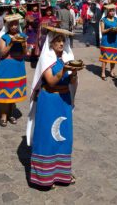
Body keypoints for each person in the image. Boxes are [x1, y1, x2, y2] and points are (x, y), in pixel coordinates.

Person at [26, 27, 82, 189]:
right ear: (50, 43)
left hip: (63, 101)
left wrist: (74, 74)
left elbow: (71, 82)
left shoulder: (67, 57)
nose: (60, 43)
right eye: (57, 41)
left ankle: (62, 174)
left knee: (64, 136)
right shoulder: (47, 58)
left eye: (62, 40)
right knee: (47, 137)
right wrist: (64, 69)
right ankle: (44, 176)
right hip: (49, 100)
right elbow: (50, 81)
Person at [0, 14, 27, 127]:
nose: (14, 26)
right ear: (8, 25)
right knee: (5, 91)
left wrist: (23, 45)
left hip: (18, 67)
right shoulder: (4, 37)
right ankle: (3, 115)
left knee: (14, 91)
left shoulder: (22, 36)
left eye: (16, 24)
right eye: (11, 24)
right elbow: (2, 53)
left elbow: (25, 53)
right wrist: (12, 42)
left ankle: (11, 113)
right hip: (6, 67)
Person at [99, 4, 117, 80]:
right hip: (106, 41)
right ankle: (103, 72)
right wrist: (109, 29)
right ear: (107, 12)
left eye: (113, 11)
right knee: (105, 58)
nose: (112, 12)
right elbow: (102, 31)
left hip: (115, 40)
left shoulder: (116, 19)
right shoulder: (103, 20)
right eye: (111, 11)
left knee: (113, 57)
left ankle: (112, 71)